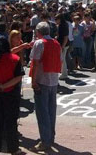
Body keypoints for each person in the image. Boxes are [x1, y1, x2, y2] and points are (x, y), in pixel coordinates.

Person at [30, 21, 61, 152]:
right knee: (51, 110)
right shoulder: (56, 43)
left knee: (42, 113)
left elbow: (35, 63)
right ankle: (50, 136)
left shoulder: (39, 43)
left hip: (42, 80)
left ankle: (45, 141)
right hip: (53, 80)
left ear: (38, 32)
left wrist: (33, 81)